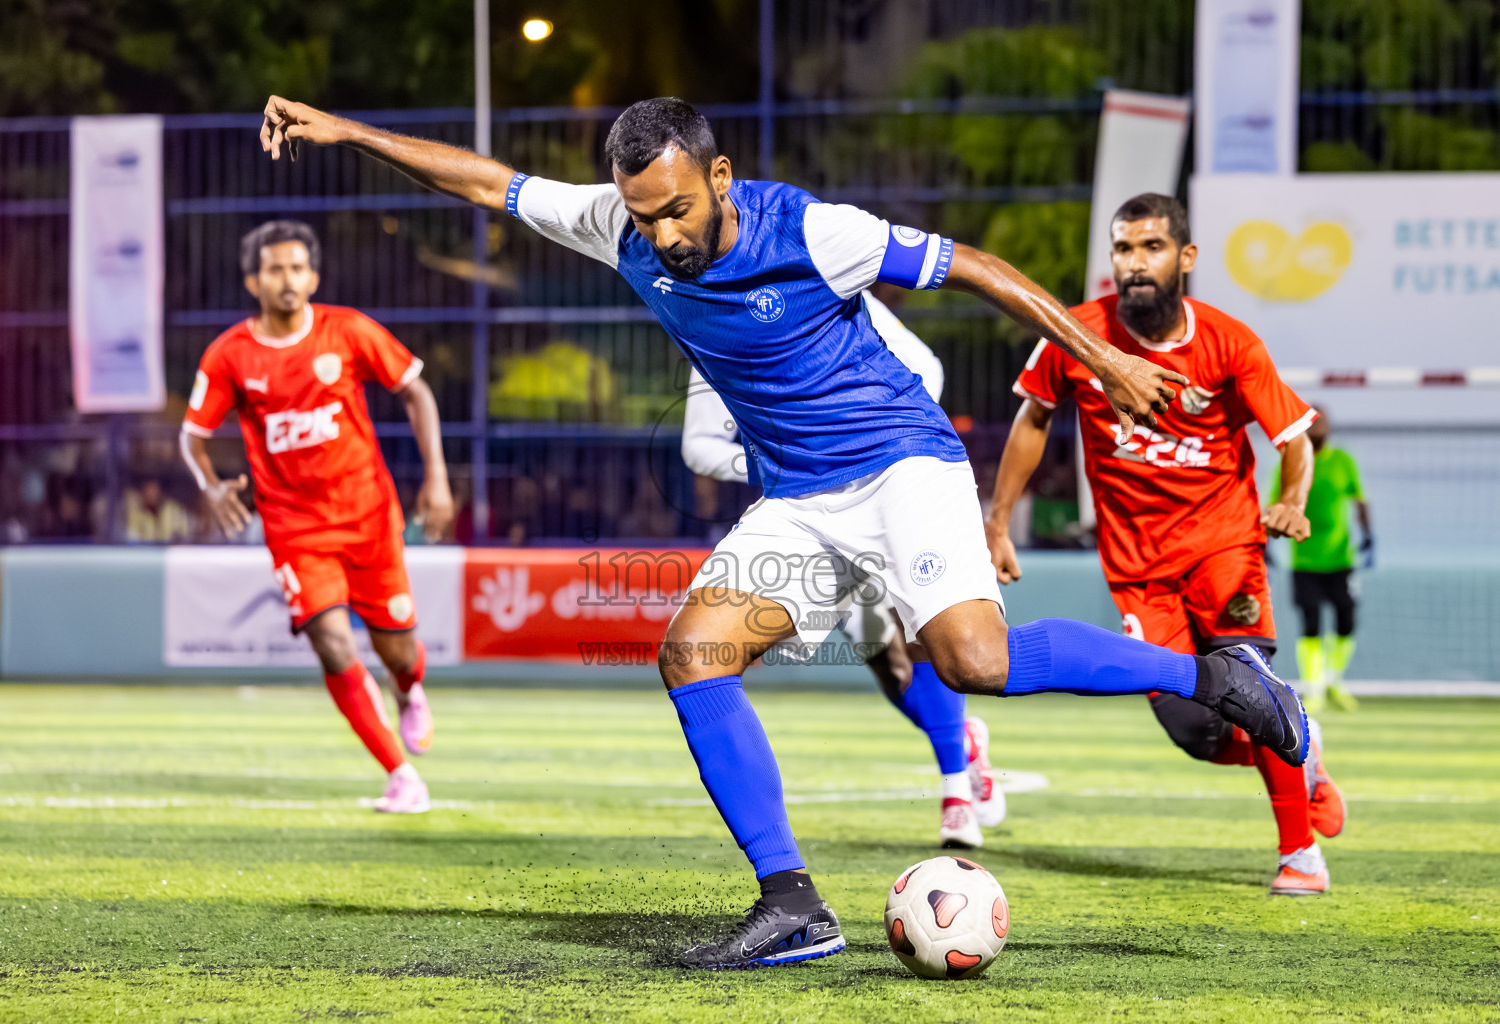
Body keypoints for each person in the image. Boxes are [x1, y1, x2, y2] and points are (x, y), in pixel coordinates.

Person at [261, 96, 1308, 968]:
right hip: (802, 497)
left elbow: (977, 267)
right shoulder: (618, 223)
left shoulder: (811, 229)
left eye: (677, 209)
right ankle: (792, 904)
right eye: (643, 216)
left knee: (974, 660)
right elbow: (490, 183)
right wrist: (348, 132)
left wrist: (1105, 358)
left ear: (719, 177)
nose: (662, 236)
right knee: (693, 654)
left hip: (902, 461)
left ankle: (1214, 678)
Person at [985, 193, 1345, 897]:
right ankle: (1303, 753)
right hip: (1137, 569)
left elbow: (1294, 439)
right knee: (1194, 731)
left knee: (1250, 684)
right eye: (1123, 248)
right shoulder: (1077, 336)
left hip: (1224, 547)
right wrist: (997, 522)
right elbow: (1033, 419)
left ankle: (1300, 854)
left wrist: (1291, 501)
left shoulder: (1230, 343)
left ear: (1185, 258)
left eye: (1151, 247)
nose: (1135, 263)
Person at [681, 284, 1003, 849]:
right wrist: (772, 462)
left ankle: (956, 795)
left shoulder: (819, 289)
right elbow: (698, 446)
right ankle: (963, 741)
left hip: (888, 492)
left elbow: (927, 368)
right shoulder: (709, 331)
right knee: (891, 669)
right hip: (809, 516)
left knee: (923, 637)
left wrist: (872, 437)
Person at [178, 220, 452, 814]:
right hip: (294, 528)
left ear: (314, 277)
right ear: (253, 280)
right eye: (275, 268)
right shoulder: (230, 355)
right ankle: (401, 775)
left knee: (400, 653)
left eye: (298, 268)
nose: (288, 279)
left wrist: (437, 477)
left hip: (369, 517)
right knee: (330, 642)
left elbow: (416, 390)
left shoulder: (347, 330)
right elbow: (192, 436)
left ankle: (409, 691)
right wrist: (210, 486)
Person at [1273, 408, 1371, 713]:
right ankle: (1313, 687)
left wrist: (1369, 535)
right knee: (1311, 621)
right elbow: (1275, 506)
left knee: (1346, 619)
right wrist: (1264, 542)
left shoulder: (1342, 460)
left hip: (1341, 558)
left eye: (1321, 420)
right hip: (1304, 560)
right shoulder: (1290, 462)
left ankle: (1333, 680)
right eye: (1311, 421)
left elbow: (1359, 500)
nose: (1317, 426)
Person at [125, 477, 191, 543]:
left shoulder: (173, 509)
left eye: (154, 490)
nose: (151, 494)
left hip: (171, 548)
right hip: (146, 548)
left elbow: (185, 534)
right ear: (143, 493)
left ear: (160, 491)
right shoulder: (137, 515)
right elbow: (132, 539)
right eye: (148, 491)